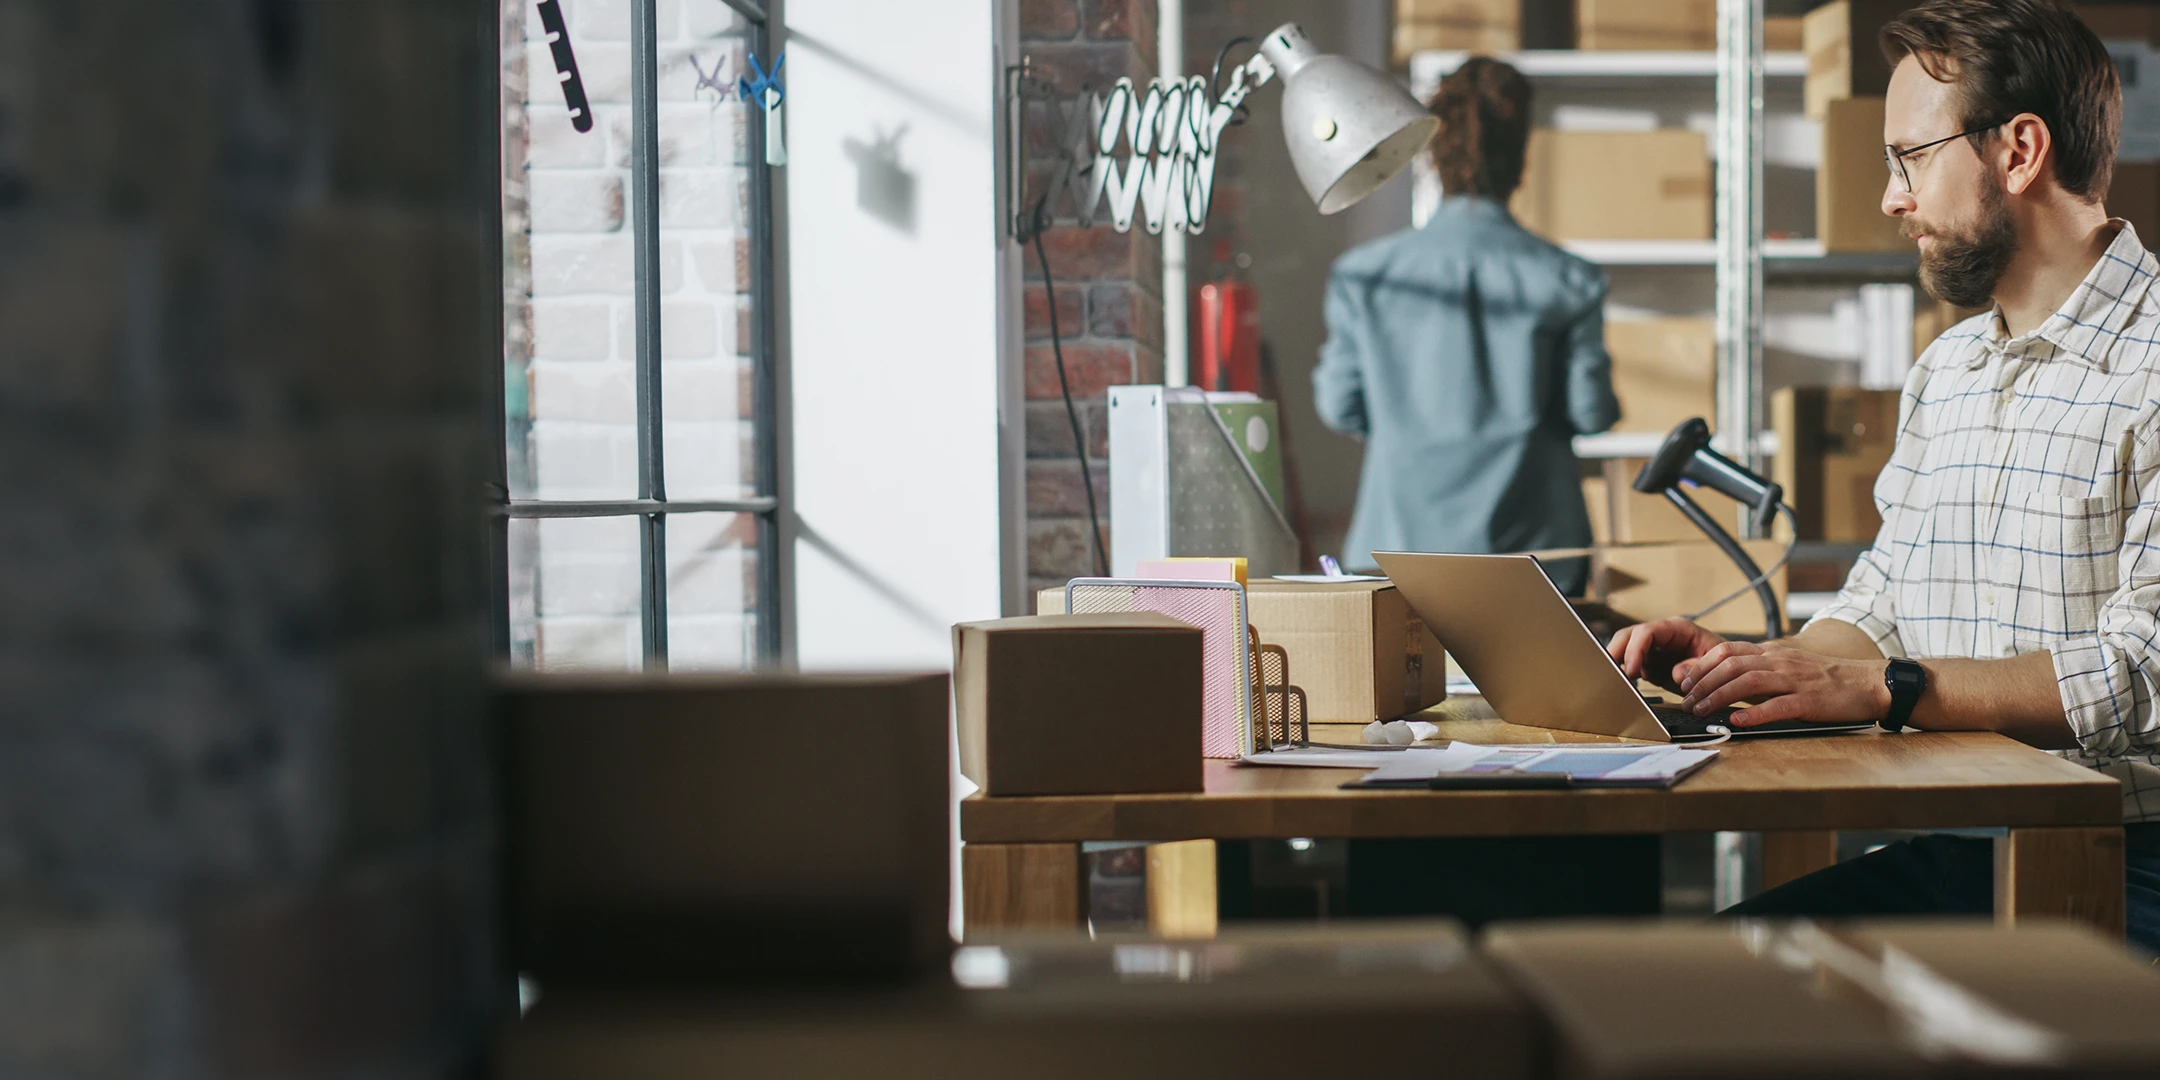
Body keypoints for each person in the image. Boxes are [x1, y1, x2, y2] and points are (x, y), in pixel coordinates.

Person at [1605, 0, 2160, 951]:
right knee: (1678, 982)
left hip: (2127, 861)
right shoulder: (1946, 374)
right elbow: (1882, 606)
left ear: (2019, 151)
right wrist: (1753, 668)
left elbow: (2140, 672)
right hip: (1960, 845)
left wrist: (1879, 688)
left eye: (1910, 157)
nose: (1891, 196)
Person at [1312, 56, 1617, 593]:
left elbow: (1340, 406)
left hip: (1397, 554)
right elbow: (1590, 412)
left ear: (1434, 154)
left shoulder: (1365, 276)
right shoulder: (1570, 279)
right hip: (1536, 560)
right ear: (1521, 155)